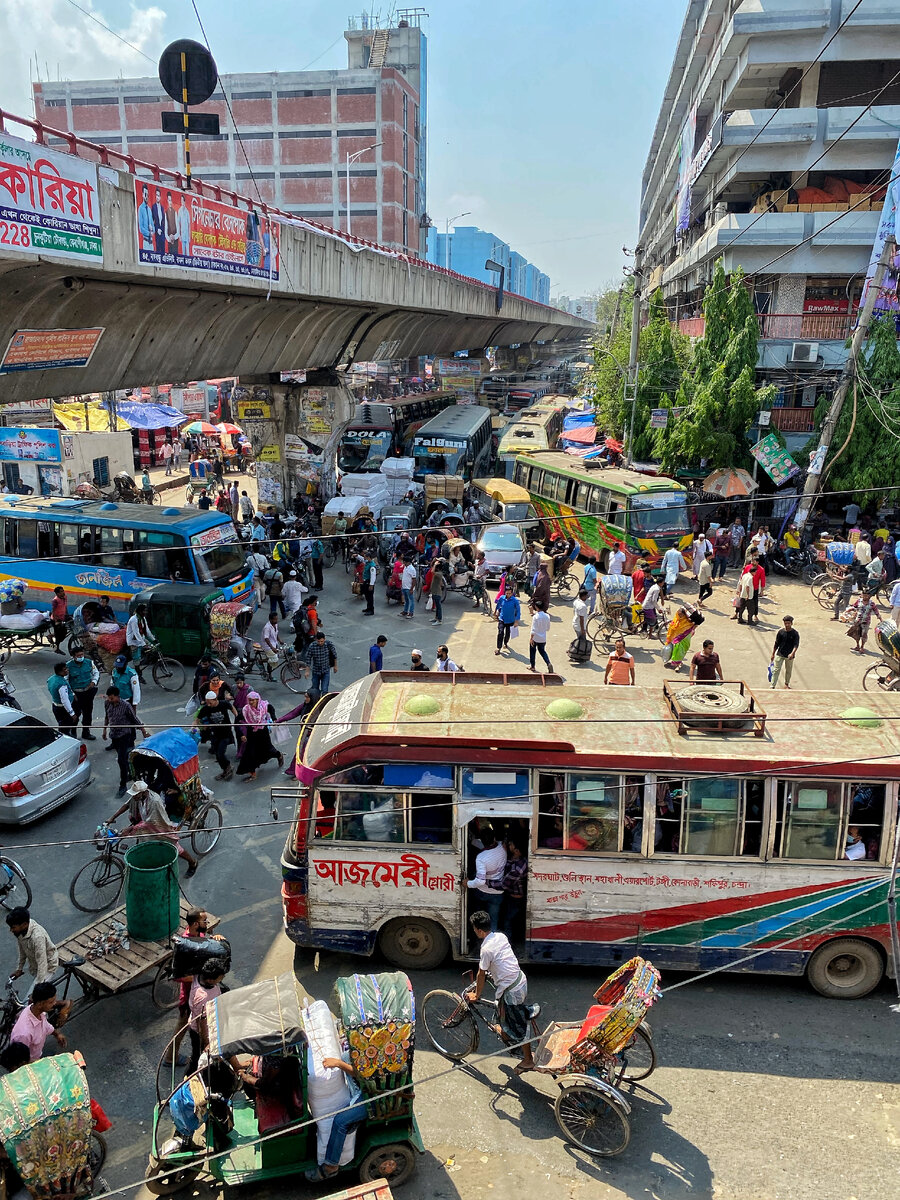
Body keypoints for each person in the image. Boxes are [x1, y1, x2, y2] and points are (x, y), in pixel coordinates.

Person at [466, 910, 534, 1073]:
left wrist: (476, 994)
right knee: (509, 1018)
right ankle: (515, 1045)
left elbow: (481, 973)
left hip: (511, 991)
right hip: (519, 980)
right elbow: (502, 959)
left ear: (479, 930)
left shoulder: (486, 949)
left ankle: (528, 1060)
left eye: (474, 929)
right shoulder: (500, 937)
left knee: (515, 1027)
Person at [303, 1049, 368, 1184]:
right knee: (346, 1056)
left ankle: (331, 1165)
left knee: (339, 1122)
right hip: (365, 1087)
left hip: (374, 1097)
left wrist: (338, 1064)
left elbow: (364, 1075)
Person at [109, 779, 199, 874]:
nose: (134, 797)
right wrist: (113, 817)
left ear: (143, 792)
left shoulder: (154, 801)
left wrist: (131, 829)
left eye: (136, 794)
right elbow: (127, 805)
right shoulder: (137, 797)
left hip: (159, 827)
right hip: (146, 825)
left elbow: (152, 822)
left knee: (175, 847)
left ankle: (193, 862)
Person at [103, 685, 148, 795]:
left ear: (117, 696)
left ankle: (122, 785)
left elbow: (134, 719)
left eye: (112, 698)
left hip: (124, 735)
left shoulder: (126, 706)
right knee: (123, 758)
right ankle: (130, 771)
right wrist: (104, 730)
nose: (110, 700)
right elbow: (107, 717)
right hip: (114, 735)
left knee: (121, 760)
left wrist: (143, 730)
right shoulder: (107, 703)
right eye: (109, 698)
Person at [9, 982, 69, 1062]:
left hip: (37, 1056)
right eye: (51, 1002)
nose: (54, 1004)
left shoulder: (38, 1012)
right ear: (40, 1004)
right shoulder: (24, 1034)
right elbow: (20, 1061)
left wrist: (57, 1034)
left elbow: (46, 1026)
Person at [186, 959, 228, 1075]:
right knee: (198, 1058)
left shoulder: (199, 976)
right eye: (220, 978)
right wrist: (206, 1042)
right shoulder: (203, 997)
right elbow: (202, 1022)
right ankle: (190, 1078)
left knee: (198, 1056)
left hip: (203, 1025)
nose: (222, 979)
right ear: (210, 980)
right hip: (200, 1032)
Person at [466, 824, 507, 930]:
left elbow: (480, 881)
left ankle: (479, 940)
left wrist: (467, 883)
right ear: (494, 838)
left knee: (480, 919)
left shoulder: (481, 857)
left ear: (481, 841)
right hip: (498, 893)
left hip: (482, 893)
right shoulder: (502, 848)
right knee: (494, 921)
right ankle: (492, 942)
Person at [6, 908, 60, 985]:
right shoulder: (21, 931)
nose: (11, 930)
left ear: (24, 924)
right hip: (35, 966)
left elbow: (42, 963)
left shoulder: (37, 937)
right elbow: (22, 951)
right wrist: (19, 969)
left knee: (36, 995)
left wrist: (38, 986)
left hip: (47, 967)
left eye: (13, 927)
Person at [237, 692, 283, 781]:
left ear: (257, 700)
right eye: (249, 700)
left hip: (262, 731)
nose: (250, 702)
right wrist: (242, 734)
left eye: (252, 700)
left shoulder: (264, 706)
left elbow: (271, 709)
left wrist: (274, 718)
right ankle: (252, 773)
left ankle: (278, 755)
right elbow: (238, 721)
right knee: (249, 752)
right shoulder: (245, 710)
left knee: (267, 749)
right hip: (251, 732)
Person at [192, 690, 236, 781]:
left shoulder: (223, 704)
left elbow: (232, 707)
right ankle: (225, 770)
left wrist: (237, 717)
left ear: (215, 699)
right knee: (217, 754)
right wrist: (197, 726)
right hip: (215, 734)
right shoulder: (206, 708)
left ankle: (228, 766)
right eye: (207, 702)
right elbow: (197, 719)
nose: (208, 704)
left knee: (220, 753)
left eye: (210, 702)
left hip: (225, 733)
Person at [66, 644, 99, 741]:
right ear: (73, 656)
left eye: (82, 655)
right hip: (76, 694)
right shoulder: (68, 666)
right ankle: (73, 731)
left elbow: (96, 673)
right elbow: (66, 681)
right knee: (75, 714)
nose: (81, 657)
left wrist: (94, 682)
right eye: (78, 656)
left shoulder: (89, 662)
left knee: (88, 714)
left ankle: (86, 732)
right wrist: (72, 694)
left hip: (88, 692)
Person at [499, 836, 528, 941]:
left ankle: (508, 945)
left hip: (516, 899)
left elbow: (504, 885)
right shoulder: (517, 860)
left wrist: (485, 882)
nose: (508, 845)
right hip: (512, 896)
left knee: (508, 921)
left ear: (516, 850)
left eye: (511, 844)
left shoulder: (518, 868)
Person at [664, 605, 702, 672]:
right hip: (682, 636)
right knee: (677, 649)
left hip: (684, 637)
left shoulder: (687, 622)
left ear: (684, 615)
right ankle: (677, 662)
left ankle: (676, 664)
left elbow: (692, 628)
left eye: (681, 614)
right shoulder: (680, 619)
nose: (679, 615)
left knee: (679, 649)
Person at [770, 615, 800, 689]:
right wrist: (773, 654)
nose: (787, 625)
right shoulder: (781, 632)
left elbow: (796, 645)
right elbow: (776, 643)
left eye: (788, 623)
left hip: (789, 656)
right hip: (780, 654)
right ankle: (772, 685)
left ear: (791, 623)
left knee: (788, 670)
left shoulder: (795, 633)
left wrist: (792, 653)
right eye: (785, 623)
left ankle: (786, 684)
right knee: (776, 670)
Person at [47, 662, 76, 737]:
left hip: (55, 705)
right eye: (65, 669)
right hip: (63, 709)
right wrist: (72, 713)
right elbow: (65, 700)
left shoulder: (52, 679)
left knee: (62, 725)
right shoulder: (61, 684)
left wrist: (72, 694)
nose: (67, 670)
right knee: (65, 727)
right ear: (59, 671)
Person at [306, 630, 337, 694]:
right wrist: (307, 671)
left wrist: (335, 666)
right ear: (316, 639)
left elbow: (334, 655)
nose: (320, 643)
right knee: (315, 690)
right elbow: (308, 658)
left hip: (325, 671)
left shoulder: (329, 645)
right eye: (318, 641)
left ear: (324, 639)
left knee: (324, 690)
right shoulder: (312, 646)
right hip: (316, 671)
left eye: (322, 641)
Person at [528, 600, 553, 673]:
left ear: (536, 607)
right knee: (542, 651)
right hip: (543, 638)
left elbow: (533, 629)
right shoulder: (547, 616)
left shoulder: (536, 617)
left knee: (532, 652)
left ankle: (532, 666)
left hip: (535, 638)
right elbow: (548, 628)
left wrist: (531, 638)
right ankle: (548, 663)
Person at [126, 602, 154, 666]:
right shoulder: (134, 619)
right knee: (136, 658)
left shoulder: (143, 618)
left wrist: (154, 639)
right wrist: (143, 644)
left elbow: (147, 630)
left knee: (153, 648)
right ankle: (137, 671)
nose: (146, 612)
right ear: (140, 611)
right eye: (144, 611)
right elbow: (136, 633)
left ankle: (145, 660)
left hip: (141, 638)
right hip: (133, 641)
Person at [495, 587, 521, 655]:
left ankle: (505, 643)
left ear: (512, 593)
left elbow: (518, 611)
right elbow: (498, 605)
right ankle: (498, 648)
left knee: (507, 633)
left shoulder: (515, 601)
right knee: (500, 632)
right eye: (507, 593)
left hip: (511, 620)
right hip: (502, 619)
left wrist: (516, 621)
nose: (508, 595)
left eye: (509, 593)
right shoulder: (502, 598)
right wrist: (496, 611)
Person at [50, 586, 68, 652]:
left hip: (62, 618)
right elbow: (53, 611)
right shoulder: (55, 600)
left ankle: (51, 636)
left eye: (63, 591)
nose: (63, 592)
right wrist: (56, 621)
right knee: (58, 636)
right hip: (56, 619)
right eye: (61, 592)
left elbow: (65, 607)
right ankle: (56, 648)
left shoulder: (65, 597)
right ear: (57, 594)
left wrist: (67, 615)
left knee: (64, 633)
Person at [428, 560, 445, 626]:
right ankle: (436, 617)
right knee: (437, 606)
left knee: (438, 607)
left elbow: (432, 571)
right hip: (434, 591)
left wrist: (435, 564)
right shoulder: (438, 573)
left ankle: (439, 619)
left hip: (437, 592)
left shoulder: (439, 574)